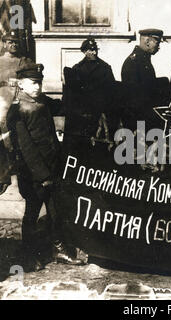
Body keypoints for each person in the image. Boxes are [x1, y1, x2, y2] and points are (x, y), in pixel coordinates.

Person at [7, 63, 85, 271]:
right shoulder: (17, 111)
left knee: (56, 211)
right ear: (21, 85)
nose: (38, 87)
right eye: (33, 83)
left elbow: (62, 106)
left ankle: (59, 249)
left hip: (52, 168)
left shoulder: (41, 102)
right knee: (32, 214)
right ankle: (28, 255)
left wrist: (71, 87)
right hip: (32, 174)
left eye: (40, 83)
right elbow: (26, 148)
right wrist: (43, 176)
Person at [0, 30, 33, 196]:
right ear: (4, 44)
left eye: (15, 42)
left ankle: (19, 168)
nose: (13, 45)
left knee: (20, 132)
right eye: (10, 42)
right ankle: (5, 171)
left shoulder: (24, 61)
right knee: (4, 133)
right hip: (3, 100)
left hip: (20, 99)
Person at [70, 37, 116, 137]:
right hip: (83, 114)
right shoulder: (77, 68)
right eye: (90, 50)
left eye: (95, 49)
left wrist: (105, 111)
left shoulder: (105, 68)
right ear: (84, 51)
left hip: (101, 113)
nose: (94, 53)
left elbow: (112, 92)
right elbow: (73, 94)